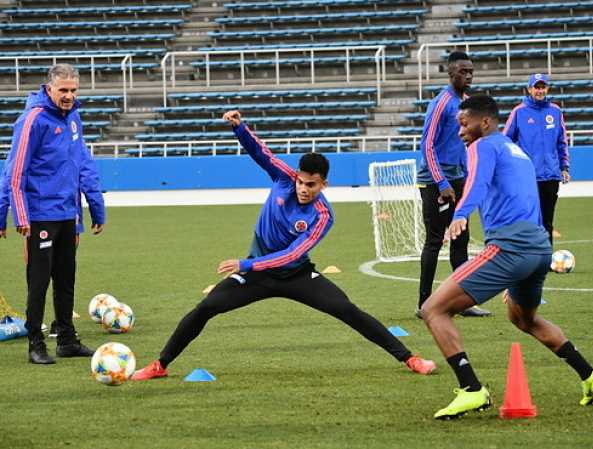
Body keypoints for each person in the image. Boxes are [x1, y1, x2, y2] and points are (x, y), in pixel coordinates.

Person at [132, 110, 437, 381]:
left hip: (296, 275)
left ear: (324, 185)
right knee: (205, 308)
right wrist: (240, 128)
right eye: (301, 182)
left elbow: (292, 254)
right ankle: (160, 364)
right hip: (257, 275)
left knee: (347, 310)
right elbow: (261, 153)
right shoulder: (283, 177)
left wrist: (245, 264)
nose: (303, 189)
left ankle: (409, 358)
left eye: (311, 185)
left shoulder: (322, 216)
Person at [421, 95, 593, 420]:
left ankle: (471, 389)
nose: (460, 131)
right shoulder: (517, 152)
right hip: (537, 248)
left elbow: (477, 184)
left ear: (485, 122)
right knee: (523, 319)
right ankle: (590, 375)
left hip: (510, 246)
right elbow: (529, 199)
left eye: (464, 124)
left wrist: (461, 214)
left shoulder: (482, 147)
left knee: (433, 309)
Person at [2, 63, 106, 364]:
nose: (69, 96)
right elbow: (16, 171)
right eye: (63, 90)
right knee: (39, 280)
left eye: (73, 90)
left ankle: (67, 339)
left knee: (66, 277)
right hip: (40, 213)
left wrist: (95, 206)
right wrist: (18, 215)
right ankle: (35, 343)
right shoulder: (32, 120)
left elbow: (83, 164)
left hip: (68, 212)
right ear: (49, 88)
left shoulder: (74, 117)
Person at [416, 51, 490, 318]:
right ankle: (424, 304)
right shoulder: (441, 103)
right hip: (436, 181)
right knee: (434, 241)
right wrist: (441, 181)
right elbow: (427, 144)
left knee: (461, 240)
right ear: (450, 73)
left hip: (459, 178)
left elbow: (468, 143)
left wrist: (471, 175)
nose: (468, 75)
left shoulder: (467, 103)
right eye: (462, 71)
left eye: (470, 71)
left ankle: (462, 303)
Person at [504, 73, 570, 247]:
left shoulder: (555, 111)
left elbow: (561, 142)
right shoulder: (519, 112)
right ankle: (529, 258)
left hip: (551, 176)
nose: (540, 90)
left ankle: (545, 259)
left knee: (547, 221)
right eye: (536, 87)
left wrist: (564, 167)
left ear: (547, 88)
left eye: (543, 87)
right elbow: (505, 141)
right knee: (530, 221)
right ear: (529, 89)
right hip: (528, 177)